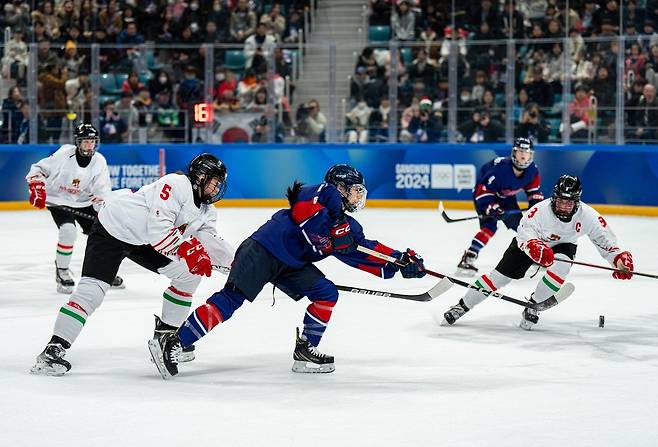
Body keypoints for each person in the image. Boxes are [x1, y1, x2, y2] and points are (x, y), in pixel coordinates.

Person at [148, 164, 427, 378]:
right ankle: (174, 342)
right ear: (340, 188)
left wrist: (399, 262)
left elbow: (363, 250)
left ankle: (305, 350)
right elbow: (305, 209)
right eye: (354, 189)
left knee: (326, 293)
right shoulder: (320, 195)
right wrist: (332, 220)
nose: (358, 196)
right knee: (231, 300)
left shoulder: (347, 226)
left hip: (291, 264)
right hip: (263, 249)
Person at [30, 154, 235, 376]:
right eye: (214, 182)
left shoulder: (207, 211)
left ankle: (165, 337)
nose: (216, 189)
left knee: (189, 275)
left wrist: (240, 264)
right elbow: (160, 232)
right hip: (113, 228)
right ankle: (54, 349)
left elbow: (211, 243)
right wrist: (188, 251)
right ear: (201, 176)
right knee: (91, 292)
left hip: (143, 240)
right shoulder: (175, 184)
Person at [443, 175, 634, 329]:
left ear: (577, 201)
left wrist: (618, 260)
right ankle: (462, 305)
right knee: (498, 278)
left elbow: (605, 241)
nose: (564, 206)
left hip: (563, 245)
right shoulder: (540, 210)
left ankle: (534, 306)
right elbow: (524, 232)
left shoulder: (589, 216)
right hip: (531, 244)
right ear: (554, 197)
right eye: (560, 201)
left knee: (561, 268)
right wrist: (534, 247)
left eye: (569, 202)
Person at [25, 123, 124, 294]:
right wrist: (36, 185)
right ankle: (62, 270)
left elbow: (102, 190)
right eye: (85, 141)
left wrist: (102, 210)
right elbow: (39, 169)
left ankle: (102, 272)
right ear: (78, 142)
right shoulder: (64, 154)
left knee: (103, 234)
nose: (89, 145)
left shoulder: (99, 161)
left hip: (84, 203)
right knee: (68, 231)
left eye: (92, 141)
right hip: (59, 200)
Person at [456, 137, 544, 276]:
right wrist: (493, 208)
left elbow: (534, 192)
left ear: (531, 154)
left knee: (522, 227)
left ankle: (534, 254)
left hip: (506, 198)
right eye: (520, 151)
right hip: (484, 195)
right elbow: (482, 191)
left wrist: (535, 203)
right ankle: (469, 257)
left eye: (526, 152)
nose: (523, 155)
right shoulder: (500, 169)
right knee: (489, 227)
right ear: (514, 153)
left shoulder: (532, 170)